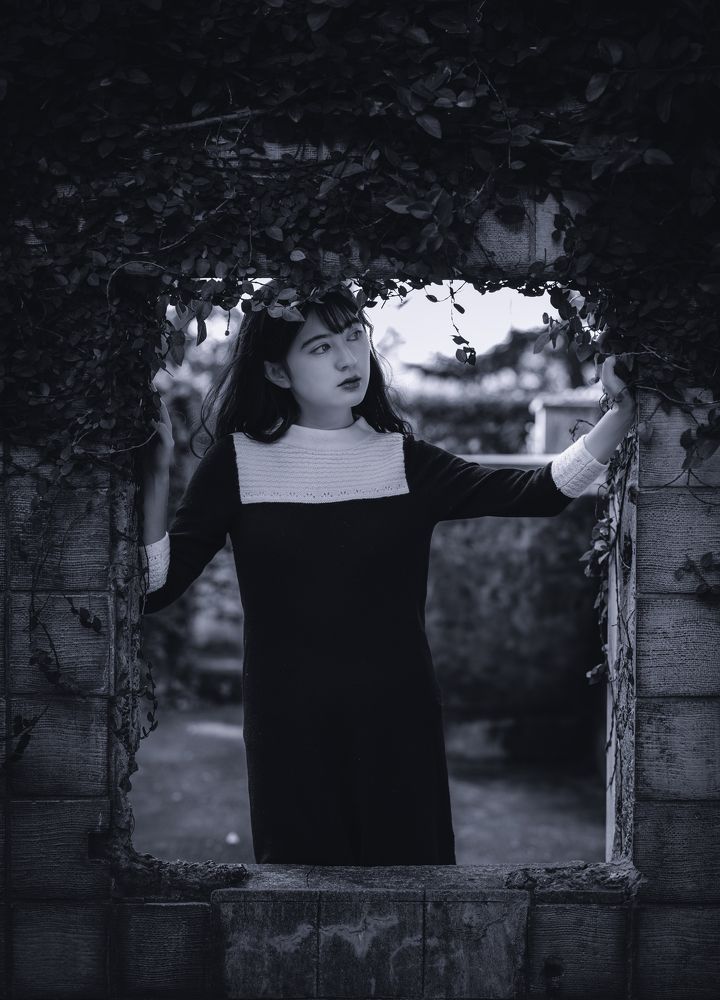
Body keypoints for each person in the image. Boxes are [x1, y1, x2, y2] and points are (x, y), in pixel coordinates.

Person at [137, 280, 635, 866]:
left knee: (416, 891)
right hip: (287, 727)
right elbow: (156, 588)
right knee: (298, 898)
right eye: (321, 347)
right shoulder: (237, 463)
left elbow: (540, 491)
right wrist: (157, 472)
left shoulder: (404, 460)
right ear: (276, 371)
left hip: (399, 721)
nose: (348, 359)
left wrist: (622, 412)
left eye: (354, 337)